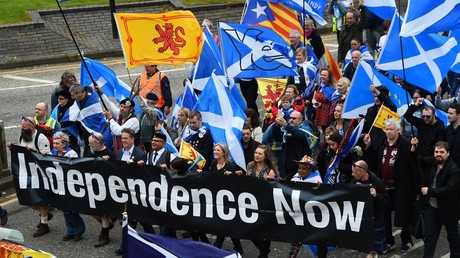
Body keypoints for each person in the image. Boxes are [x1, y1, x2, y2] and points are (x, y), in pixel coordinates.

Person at [363, 118, 419, 252]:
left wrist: (414, 148)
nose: (388, 132)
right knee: (384, 216)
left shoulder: (405, 144)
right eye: (386, 129)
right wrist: (368, 146)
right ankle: (389, 241)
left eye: (391, 129)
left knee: (404, 215)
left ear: (398, 130)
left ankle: (406, 240)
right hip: (384, 188)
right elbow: (375, 158)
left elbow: (414, 164)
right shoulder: (382, 142)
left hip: (401, 188)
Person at [7, 117, 52, 237]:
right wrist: (13, 148)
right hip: (27, 173)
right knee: (27, 198)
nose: (22, 130)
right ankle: (45, 214)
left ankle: (44, 224)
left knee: (40, 199)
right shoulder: (22, 136)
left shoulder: (41, 138)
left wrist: (34, 152)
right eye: (21, 127)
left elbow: (48, 157)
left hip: (40, 174)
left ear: (32, 127)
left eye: (25, 128)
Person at [416, 141, 460, 258]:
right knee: (430, 238)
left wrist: (429, 191)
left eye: (441, 152)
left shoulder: (453, 169)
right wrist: (413, 147)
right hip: (432, 209)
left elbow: (449, 189)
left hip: (449, 210)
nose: (438, 154)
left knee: (453, 239)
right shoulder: (433, 161)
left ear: (448, 153)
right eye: (436, 152)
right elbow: (419, 159)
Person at [115, 128, 152, 255]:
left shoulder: (140, 154)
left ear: (132, 139)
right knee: (137, 218)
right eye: (122, 138)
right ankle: (151, 236)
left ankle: (124, 246)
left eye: (126, 138)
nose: (123, 140)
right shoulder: (119, 153)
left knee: (132, 217)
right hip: (122, 190)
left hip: (135, 191)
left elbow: (143, 174)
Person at [49, 132, 85, 242]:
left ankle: (79, 230)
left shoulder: (72, 153)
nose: (55, 145)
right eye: (54, 143)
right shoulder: (54, 152)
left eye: (57, 143)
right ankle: (70, 231)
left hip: (70, 185)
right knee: (64, 209)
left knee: (71, 209)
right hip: (59, 185)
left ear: (64, 144)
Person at [209, 143, 244, 254]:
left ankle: (217, 246)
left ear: (224, 152)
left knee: (223, 223)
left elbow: (238, 181)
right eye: (214, 150)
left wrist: (232, 175)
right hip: (216, 198)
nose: (215, 152)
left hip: (228, 200)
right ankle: (238, 246)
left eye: (218, 150)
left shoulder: (231, 166)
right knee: (227, 224)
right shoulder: (214, 163)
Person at [351, 160, 390, 255]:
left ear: (363, 171)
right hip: (362, 216)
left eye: (355, 172)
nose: (352, 174)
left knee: (376, 248)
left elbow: (386, 200)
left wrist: (376, 195)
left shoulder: (376, 181)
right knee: (365, 247)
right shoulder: (354, 181)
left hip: (375, 216)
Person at [287, 155, 322, 258]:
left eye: (304, 169)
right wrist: (274, 178)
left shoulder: (316, 181)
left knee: (316, 241)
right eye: (299, 168)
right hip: (298, 214)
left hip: (311, 216)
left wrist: (321, 188)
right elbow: (283, 184)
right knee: (296, 239)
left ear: (310, 170)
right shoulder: (296, 177)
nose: (300, 171)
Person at [85, 132, 116, 247]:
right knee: (89, 209)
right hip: (90, 185)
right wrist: (98, 159)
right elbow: (85, 162)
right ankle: (108, 225)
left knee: (103, 212)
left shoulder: (109, 154)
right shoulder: (91, 151)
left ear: (99, 143)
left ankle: (104, 234)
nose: (89, 146)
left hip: (103, 187)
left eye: (91, 144)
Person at [246, 144, 278, 258]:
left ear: (265, 156)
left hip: (265, 204)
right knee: (248, 230)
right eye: (256, 153)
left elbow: (279, 180)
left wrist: (272, 179)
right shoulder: (250, 165)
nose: (257, 155)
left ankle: (263, 254)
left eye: (260, 154)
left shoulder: (270, 169)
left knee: (265, 231)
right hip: (251, 202)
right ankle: (263, 249)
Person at [273, 111, 312, 180]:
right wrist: (276, 126)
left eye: (294, 118)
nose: (291, 120)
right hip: (285, 167)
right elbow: (278, 138)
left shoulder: (306, 129)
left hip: (300, 168)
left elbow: (300, 136)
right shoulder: (287, 130)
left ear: (300, 120)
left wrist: (287, 126)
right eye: (290, 118)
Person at [337, 1, 367, 67]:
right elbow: (340, 45)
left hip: (356, 56)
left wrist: (362, 7)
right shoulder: (343, 28)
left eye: (351, 18)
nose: (349, 20)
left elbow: (363, 20)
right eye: (348, 18)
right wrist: (339, 60)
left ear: (354, 18)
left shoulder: (358, 27)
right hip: (346, 57)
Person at [50, 87, 78, 154]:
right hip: (59, 136)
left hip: (71, 138)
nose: (59, 100)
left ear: (67, 99)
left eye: (61, 98)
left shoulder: (72, 109)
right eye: (58, 98)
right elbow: (52, 119)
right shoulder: (57, 108)